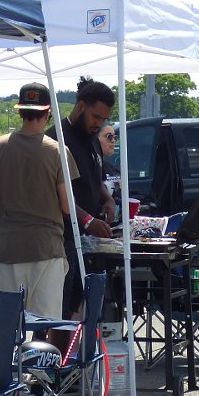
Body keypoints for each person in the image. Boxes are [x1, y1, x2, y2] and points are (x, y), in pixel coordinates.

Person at [0, 82, 90, 319]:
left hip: (7, 248)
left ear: (20, 111)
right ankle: (36, 358)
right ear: (48, 112)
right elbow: (66, 206)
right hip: (46, 249)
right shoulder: (57, 151)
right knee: (44, 324)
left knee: (5, 325)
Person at [46, 76, 116, 318]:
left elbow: (93, 181)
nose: (98, 124)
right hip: (61, 238)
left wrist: (107, 200)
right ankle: (54, 356)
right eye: (95, 117)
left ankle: (71, 354)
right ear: (80, 106)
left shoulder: (92, 141)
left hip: (86, 240)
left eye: (103, 119)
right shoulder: (56, 140)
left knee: (80, 305)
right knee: (59, 309)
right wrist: (87, 220)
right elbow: (57, 195)